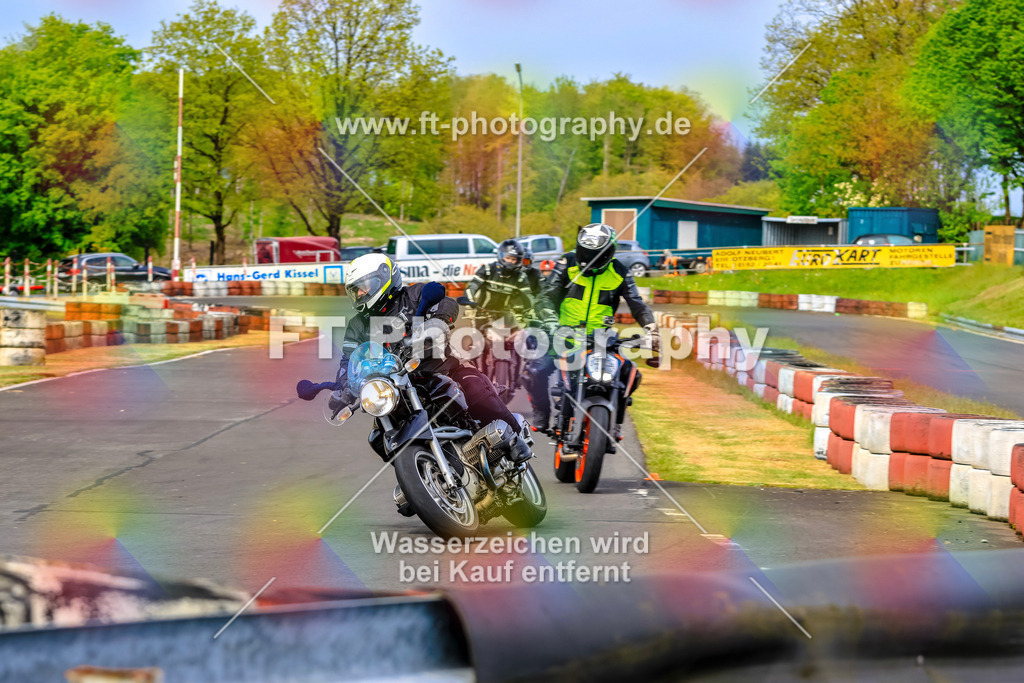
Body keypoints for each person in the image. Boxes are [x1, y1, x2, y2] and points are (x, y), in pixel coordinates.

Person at [328, 253, 534, 463]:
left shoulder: (412, 295)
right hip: (397, 387)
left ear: (384, 278)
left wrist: (439, 321)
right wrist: (343, 387)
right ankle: (424, 479)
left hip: (442, 367)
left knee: (474, 387)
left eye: (365, 286)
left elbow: (446, 302)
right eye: (356, 290)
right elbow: (349, 359)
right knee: (380, 436)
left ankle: (514, 438)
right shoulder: (357, 325)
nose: (361, 293)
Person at [524, 223, 659, 433]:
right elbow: (546, 297)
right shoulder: (567, 262)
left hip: (601, 337)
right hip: (562, 332)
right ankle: (542, 412)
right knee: (535, 370)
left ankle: (615, 423)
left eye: (593, 253)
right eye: (584, 250)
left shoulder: (620, 271)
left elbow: (637, 304)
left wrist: (651, 329)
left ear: (608, 252)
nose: (587, 256)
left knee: (628, 373)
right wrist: (551, 322)